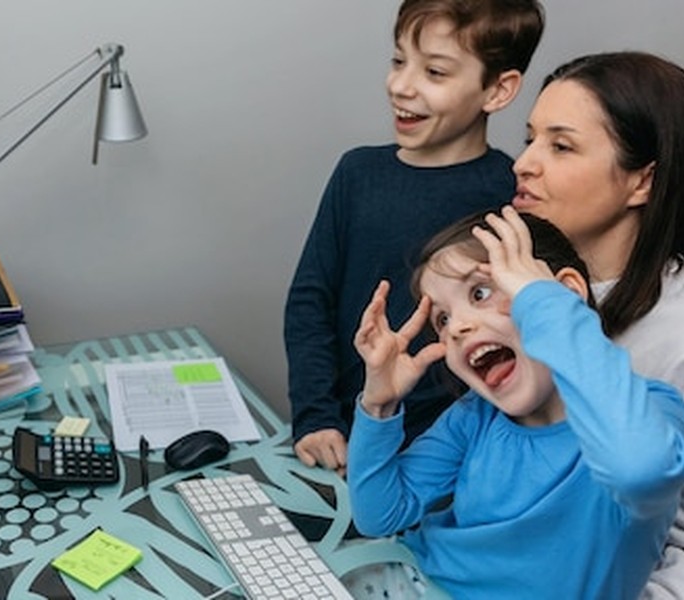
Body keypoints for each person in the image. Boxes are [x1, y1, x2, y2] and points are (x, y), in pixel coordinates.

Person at [347, 206, 684, 599]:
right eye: (442, 319)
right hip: (409, 577)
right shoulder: (474, 416)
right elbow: (380, 514)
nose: (457, 328)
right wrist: (379, 404)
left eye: (480, 292)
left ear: (561, 296)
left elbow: (640, 471)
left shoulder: (650, 413)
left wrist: (547, 303)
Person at [284, 0, 545, 476]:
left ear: (498, 89)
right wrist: (316, 417)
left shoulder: (513, 196)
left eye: (435, 72)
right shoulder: (358, 172)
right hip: (339, 439)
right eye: (399, 61)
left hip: (450, 462)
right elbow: (309, 301)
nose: (401, 86)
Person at [510, 51, 684, 598]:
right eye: (529, 139)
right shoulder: (523, 284)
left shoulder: (675, 333)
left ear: (642, 182)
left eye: (560, 146)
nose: (523, 163)